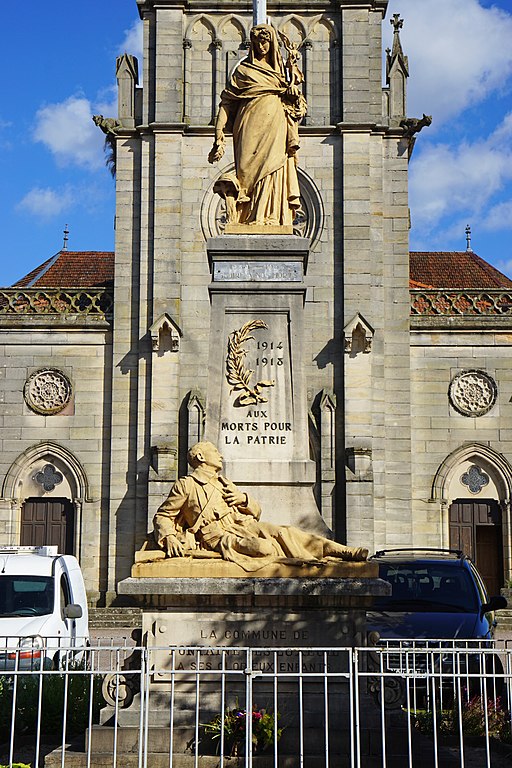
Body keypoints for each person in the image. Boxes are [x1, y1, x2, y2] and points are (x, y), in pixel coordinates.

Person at [153, 441, 368, 572]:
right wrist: (169, 536)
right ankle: (306, 561)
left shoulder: (223, 482)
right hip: (218, 536)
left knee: (285, 531)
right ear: (200, 457)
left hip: (243, 525)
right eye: (215, 451)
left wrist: (243, 499)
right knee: (264, 548)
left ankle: (342, 552)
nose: (220, 455)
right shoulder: (187, 484)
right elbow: (163, 515)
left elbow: (256, 511)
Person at [208, 24, 307, 228]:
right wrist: (219, 135)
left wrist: (292, 95)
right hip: (247, 126)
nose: (262, 46)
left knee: (273, 168)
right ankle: (246, 215)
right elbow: (226, 103)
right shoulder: (243, 71)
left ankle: (268, 216)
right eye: (258, 42)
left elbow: (295, 107)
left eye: (266, 41)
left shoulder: (280, 76)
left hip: (275, 125)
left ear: (272, 44)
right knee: (245, 172)